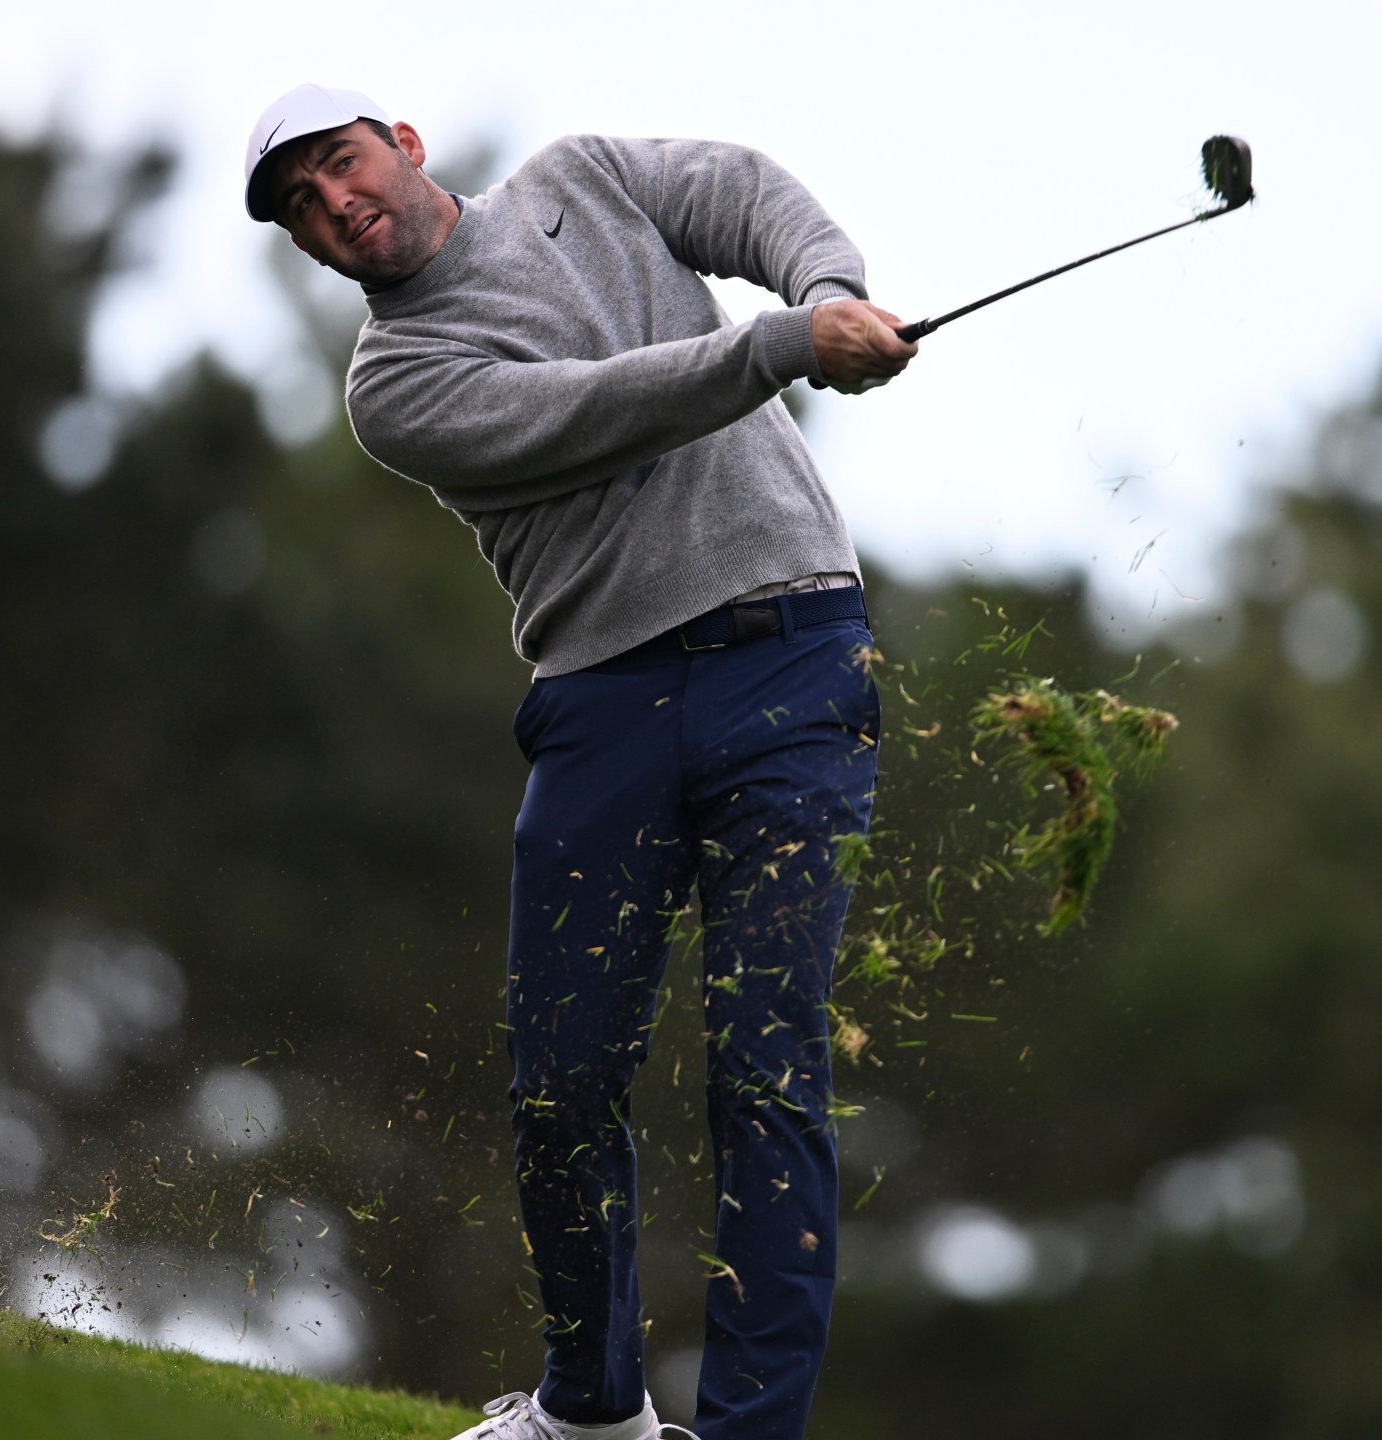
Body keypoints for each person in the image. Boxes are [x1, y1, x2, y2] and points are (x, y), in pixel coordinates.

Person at [240, 84, 919, 1440]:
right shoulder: (394, 388)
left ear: (404, 144)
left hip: (794, 659)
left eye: (339, 165)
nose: (335, 207)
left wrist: (830, 286)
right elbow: (595, 411)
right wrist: (788, 342)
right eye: (303, 211)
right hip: (604, 700)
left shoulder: (584, 177)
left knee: (766, 1066)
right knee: (562, 1080)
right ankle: (594, 1415)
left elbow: (739, 192)